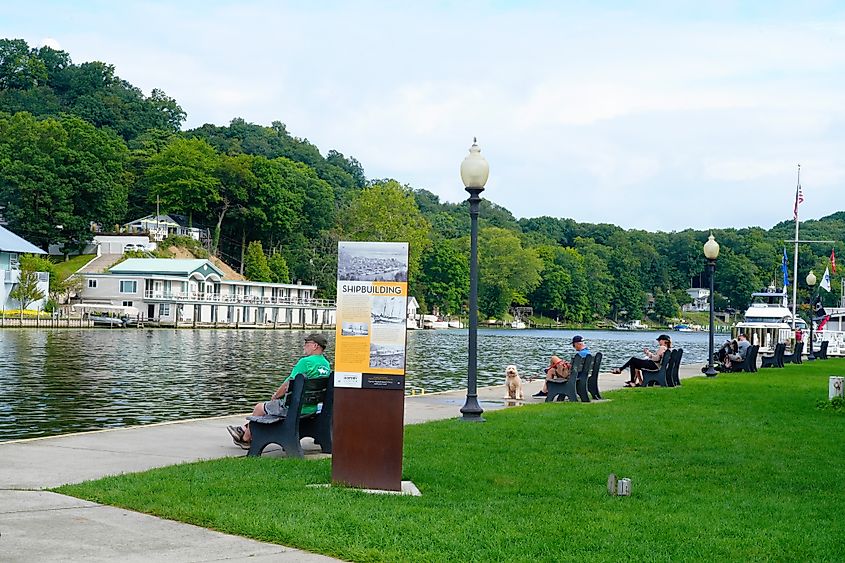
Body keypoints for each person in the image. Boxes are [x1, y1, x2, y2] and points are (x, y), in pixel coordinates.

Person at [227, 333, 331, 448]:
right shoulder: (325, 364)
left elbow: (288, 384)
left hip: (295, 409)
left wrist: (276, 396)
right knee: (269, 408)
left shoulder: (305, 362)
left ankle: (246, 439)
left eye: (307, 343)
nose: (304, 346)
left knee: (259, 408)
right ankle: (244, 429)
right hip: (312, 409)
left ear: (315, 345)